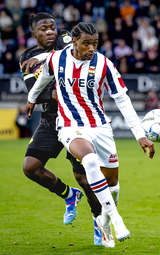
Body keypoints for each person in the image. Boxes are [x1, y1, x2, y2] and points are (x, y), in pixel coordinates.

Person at [26, 22, 155, 248]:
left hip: (100, 127)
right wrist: (32, 98)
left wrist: (140, 134)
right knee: (90, 160)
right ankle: (116, 220)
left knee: (113, 185)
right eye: (86, 44)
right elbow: (43, 78)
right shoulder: (57, 59)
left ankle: (103, 221)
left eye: (95, 43)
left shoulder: (104, 64)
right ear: (74, 42)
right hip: (69, 126)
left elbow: (122, 99)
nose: (91, 48)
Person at [19, 13, 103, 246]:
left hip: (77, 119)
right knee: (31, 168)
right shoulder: (26, 57)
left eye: (52, 27)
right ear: (33, 33)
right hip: (50, 118)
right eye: (44, 28)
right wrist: (52, 91)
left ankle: (99, 221)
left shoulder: (65, 39)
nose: (50, 32)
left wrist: (46, 62)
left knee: (84, 177)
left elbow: (72, 56)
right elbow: (37, 91)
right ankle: (68, 194)